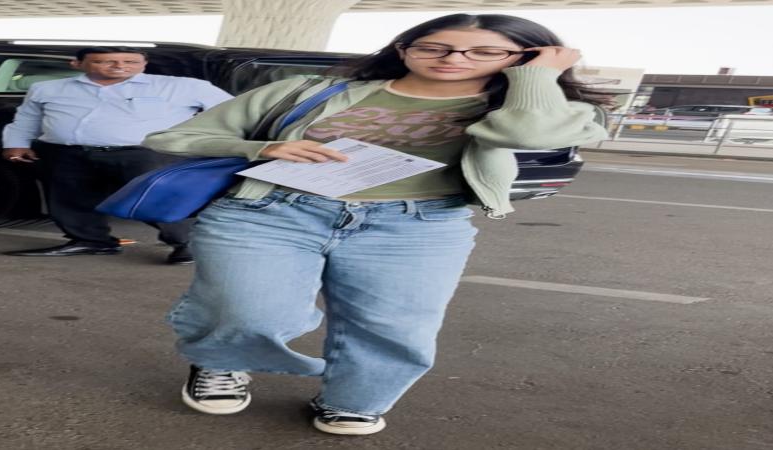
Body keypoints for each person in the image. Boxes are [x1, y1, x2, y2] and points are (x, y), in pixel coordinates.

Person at [143, 13, 609, 435]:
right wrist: (264, 149)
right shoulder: (305, 90)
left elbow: (525, 134)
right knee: (248, 309)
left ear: (525, 58)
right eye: (434, 47)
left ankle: (353, 399)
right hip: (272, 211)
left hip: (417, 224)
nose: (454, 58)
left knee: (394, 327)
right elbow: (174, 135)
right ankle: (221, 360)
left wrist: (537, 76)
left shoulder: (550, 109)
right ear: (403, 49)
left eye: (485, 51)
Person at [1, 46, 232, 264]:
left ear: (144, 64)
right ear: (77, 63)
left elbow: (232, 113)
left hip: (146, 154)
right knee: (70, 200)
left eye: (131, 61)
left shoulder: (183, 86)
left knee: (157, 200)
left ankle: (189, 244)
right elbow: (26, 119)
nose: (119, 66)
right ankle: (91, 241)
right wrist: (16, 144)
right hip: (67, 152)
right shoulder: (47, 89)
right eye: (105, 61)